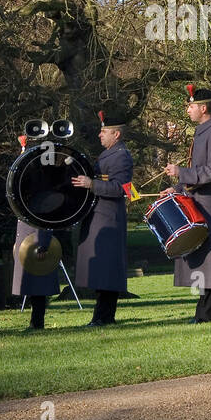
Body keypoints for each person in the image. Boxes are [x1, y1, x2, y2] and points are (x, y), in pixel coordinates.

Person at [166, 86, 211, 323]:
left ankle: (208, 314)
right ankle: (202, 312)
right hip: (196, 200)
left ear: (203, 108)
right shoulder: (202, 131)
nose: (188, 110)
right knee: (200, 260)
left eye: (191, 106)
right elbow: (198, 172)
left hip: (207, 204)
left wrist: (181, 172)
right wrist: (177, 188)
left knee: (209, 261)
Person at [72, 107, 133, 325]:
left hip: (108, 218)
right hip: (99, 216)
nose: (100, 134)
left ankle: (104, 316)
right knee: (101, 270)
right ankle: (101, 316)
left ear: (116, 134)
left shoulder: (121, 157)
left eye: (104, 131)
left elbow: (120, 189)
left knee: (107, 271)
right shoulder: (111, 154)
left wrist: (92, 184)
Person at [12, 220, 60, 330]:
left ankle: (37, 323)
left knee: (38, 288)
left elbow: (43, 218)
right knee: (34, 288)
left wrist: (42, 245)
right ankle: (35, 322)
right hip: (28, 244)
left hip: (34, 245)